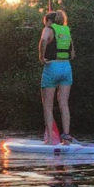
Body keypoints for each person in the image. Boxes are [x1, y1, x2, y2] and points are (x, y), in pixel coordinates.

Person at [38, 9, 74, 144]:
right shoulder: (66, 30)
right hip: (66, 68)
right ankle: (66, 137)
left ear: (49, 21)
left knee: (47, 106)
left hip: (52, 67)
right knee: (64, 103)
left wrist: (41, 57)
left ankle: (51, 140)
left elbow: (43, 41)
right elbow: (73, 54)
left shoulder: (48, 29)